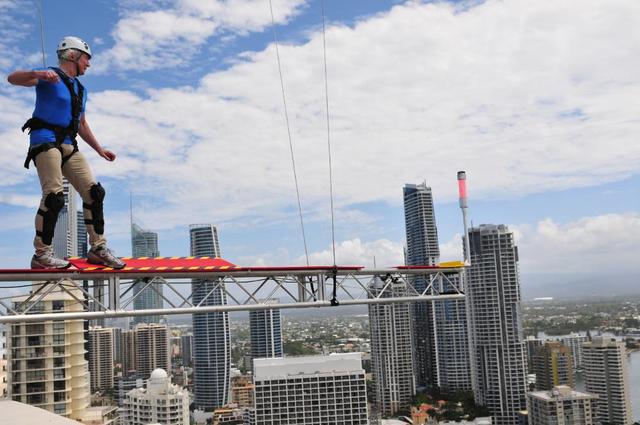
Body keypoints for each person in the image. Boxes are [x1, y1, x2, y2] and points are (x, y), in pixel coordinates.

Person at [7, 36, 125, 269]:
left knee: (94, 192)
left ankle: (98, 248)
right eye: (86, 59)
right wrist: (38, 75)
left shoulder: (81, 89)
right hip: (45, 140)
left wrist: (99, 149)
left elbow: (81, 124)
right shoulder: (48, 76)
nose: (88, 64)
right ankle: (42, 255)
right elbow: (12, 78)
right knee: (54, 197)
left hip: (70, 145)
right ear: (72, 55)